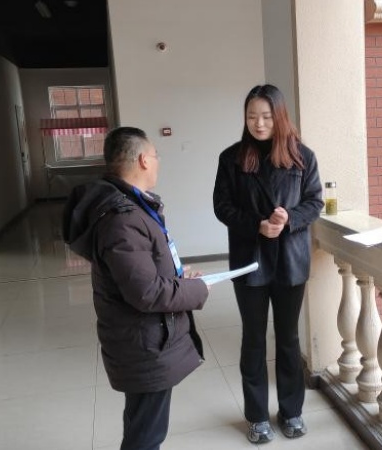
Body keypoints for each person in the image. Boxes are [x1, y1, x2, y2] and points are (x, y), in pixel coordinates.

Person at [62, 126, 209, 450]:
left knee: (141, 424)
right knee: (146, 436)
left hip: (143, 339)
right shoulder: (123, 218)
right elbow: (146, 292)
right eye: (156, 155)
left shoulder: (132, 206)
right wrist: (197, 290)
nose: (157, 162)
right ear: (143, 160)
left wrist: (179, 278)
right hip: (144, 343)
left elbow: (143, 271)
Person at [213, 84, 324, 444]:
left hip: (290, 260)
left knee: (289, 339)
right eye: (251, 116)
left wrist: (289, 219)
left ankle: (291, 411)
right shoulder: (231, 158)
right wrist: (256, 224)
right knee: (253, 339)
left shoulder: (303, 156)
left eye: (265, 116)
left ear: (279, 117)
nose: (258, 124)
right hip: (250, 260)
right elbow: (222, 207)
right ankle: (257, 416)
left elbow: (314, 202)